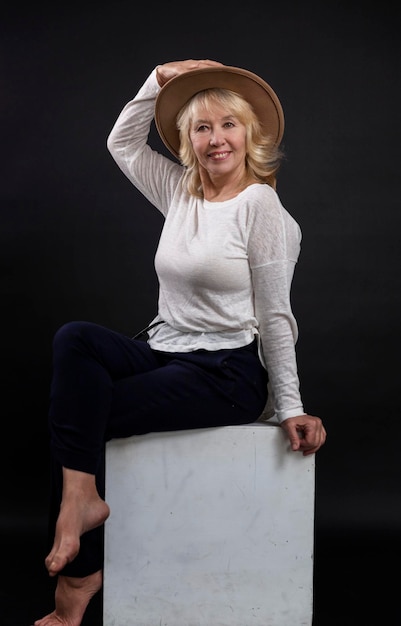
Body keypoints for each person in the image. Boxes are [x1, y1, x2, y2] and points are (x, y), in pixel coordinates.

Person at [34, 59, 326, 626]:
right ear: (187, 140)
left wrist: (289, 404)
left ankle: (75, 585)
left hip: (227, 371)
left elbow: (275, 315)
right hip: (164, 347)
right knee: (76, 340)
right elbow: (121, 142)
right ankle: (81, 501)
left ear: (250, 134)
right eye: (201, 127)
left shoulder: (259, 207)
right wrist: (155, 80)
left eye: (229, 125)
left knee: (81, 413)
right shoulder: (180, 190)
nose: (216, 139)